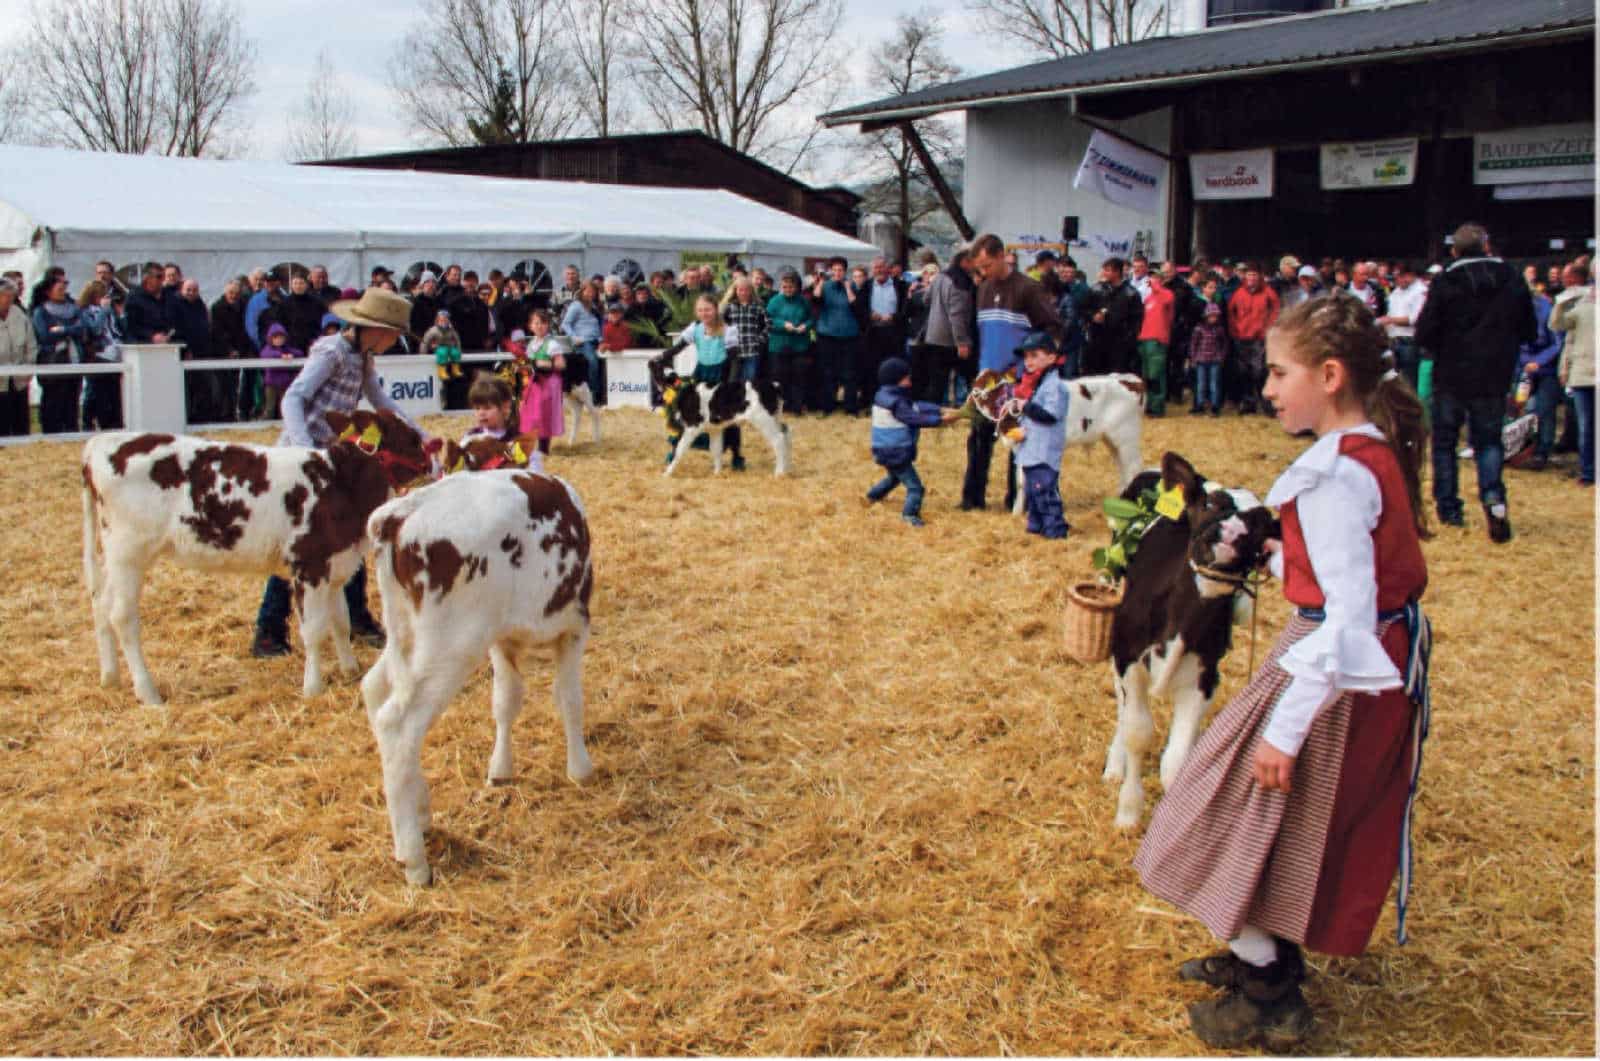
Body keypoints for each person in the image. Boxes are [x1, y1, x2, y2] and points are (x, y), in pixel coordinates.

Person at [1134, 292, 1432, 1051]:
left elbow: (1346, 617)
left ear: (1330, 375)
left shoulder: (1334, 475)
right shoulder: (1367, 449)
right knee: (1271, 823)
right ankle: (1254, 951)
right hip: (1351, 665)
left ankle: (1270, 990)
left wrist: (1286, 733)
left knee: (1240, 813)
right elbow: (1348, 576)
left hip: (1328, 678)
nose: (1266, 389)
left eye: (1277, 373)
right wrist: (1280, 555)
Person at [252, 288, 425, 658]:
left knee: (349, 537)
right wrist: (304, 448)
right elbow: (293, 397)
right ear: (376, 330)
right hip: (302, 463)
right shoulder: (330, 352)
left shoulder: (362, 358)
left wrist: (419, 433)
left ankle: (357, 617)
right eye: (395, 334)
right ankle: (268, 629)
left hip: (331, 462)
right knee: (300, 545)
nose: (396, 342)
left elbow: (381, 402)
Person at [1414, 223, 1537, 541]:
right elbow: (1529, 329)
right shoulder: (1511, 277)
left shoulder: (1445, 281)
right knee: (1488, 442)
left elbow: (1425, 332)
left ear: (1454, 251)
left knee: (1444, 443)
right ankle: (1493, 500)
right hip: (1494, 374)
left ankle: (1449, 509)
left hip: (1451, 375)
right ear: (1487, 246)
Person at [962, 233, 1063, 512]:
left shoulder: (1028, 289)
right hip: (988, 377)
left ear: (1000, 256)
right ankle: (972, 499)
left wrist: (1033, 364)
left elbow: (1052, 327)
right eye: (979, 268)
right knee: (979, 437)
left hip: (1017, 378)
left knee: (1016, 438)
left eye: (987, 266)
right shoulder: (982, 290)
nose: (983, 273)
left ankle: (1015, 499)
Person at [865, 356, 959, 528]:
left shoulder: (884, 396)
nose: (910, 380)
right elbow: (913, 417)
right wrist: (940, 420)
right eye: (906, 377)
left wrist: (939, 409)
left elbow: (915, 406)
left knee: (894, 477)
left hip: (883, 448)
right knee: (915, 488)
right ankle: (909, 515)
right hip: (896, 451)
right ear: (897, 380)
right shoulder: (897, 402)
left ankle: (872, 496)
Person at [662, 295, 745, 468]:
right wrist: (662, 357)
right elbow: (678, 347)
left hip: (721, 376)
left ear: (715, 309)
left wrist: (731, 384)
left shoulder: (728, 330)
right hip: (701, 376)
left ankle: (737, 455)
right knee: (688, 415)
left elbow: (735, 360)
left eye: (707, 309)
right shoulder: (695, 329)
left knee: (728, 418)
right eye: (700, 310)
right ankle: (675, 451)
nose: (704, 313)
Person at [1010, 331, 1072, 539]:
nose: (1028, 361)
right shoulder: (1039, 383)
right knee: (1033, 492)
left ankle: (1055, 529)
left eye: (1034, 355)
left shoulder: (1055, 386)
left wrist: (1026, 407)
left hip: (1044, 450)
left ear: (1052, 357)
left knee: (1043, 491)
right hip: (1032, 447)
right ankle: (1036, 526)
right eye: (1026, 356)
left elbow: (1051, 415)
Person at [1551, 263, 1595, 487]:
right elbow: (1560, 328)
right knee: (1586, 427)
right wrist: (1560, 303)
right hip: (1581, 374)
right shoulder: (1581, 303)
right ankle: (1588, 473)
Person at [1516, 281, 1565, 471]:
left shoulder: (1548, 310)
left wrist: (1539, 361)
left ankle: (1542, 452)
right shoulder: (1514, 311)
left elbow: (1557, 343)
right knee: (1521, 409)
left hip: (1546, 369)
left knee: (1544, 410)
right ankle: (1520, 449)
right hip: (1522, 368)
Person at [922, 247, 978, 406]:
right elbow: (957, 315)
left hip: (933, 336)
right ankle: (966, 407)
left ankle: (933, 412)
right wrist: (962, 341)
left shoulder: (939, 277)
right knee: (965, 376)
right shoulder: (960, 282)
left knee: (936, 382)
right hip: (951, 339)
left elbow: (926, 299)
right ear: (965, 262)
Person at [32, 274, 87, 433]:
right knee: (52, 405)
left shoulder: (74, 309)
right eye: (59, 287)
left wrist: (63, 330)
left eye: (64, 287)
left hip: (73, 361)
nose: (63, 290)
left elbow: (82, 329)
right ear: (49, 291)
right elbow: (45, 335)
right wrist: (70, 332)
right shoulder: (40, 312)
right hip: (52, 364)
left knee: (71, 405)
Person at [509, 313, 566, 459]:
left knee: (544, 414)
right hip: (534, 382)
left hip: (549, 382)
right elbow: (529, 364)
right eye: (536, 323)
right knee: (529, 413)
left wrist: (544, 364)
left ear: (548, 325)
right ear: (530, 326)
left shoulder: (552, 344)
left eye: (543, 322)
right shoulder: (532, 344)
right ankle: (525, 444)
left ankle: (543, 448)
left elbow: (561, 364)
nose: (539, 326)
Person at [1227, 263, 1280, 415]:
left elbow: (1276, 310)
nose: (1251, 277)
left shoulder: (1268, 292)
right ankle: (1248, 402)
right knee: (1244, 372)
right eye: (1249, 274)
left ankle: (1266, 403)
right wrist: (1234, 330)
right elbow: (1231, 313)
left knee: (1260, 371)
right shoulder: (1239, 293)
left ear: (1260, 276)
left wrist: (1268, 328)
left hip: (1259, 338)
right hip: (1242, 337)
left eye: (1254, 275)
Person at [810, 257, 861, 416]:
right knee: (827, 372)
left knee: (849, 373)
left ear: (845, 271)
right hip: (827, 335)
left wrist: (848, 288)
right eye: (835, 270)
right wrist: (819, 282)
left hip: (849, 336)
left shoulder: (852, 285)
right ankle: (827, 406)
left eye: (841, 270)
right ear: (831, 271)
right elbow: (815, 301)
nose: (838, 273)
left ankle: (850, 408)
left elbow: (857, 307)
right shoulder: (824, 286)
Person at [1080, 257, 1143, 377]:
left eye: (1108, 270)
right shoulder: (1096, 289)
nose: (1104, 273)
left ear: (1117, 272)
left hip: (1120, 345)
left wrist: (1128, 341)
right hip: (1098, 342)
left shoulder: (1131, 293)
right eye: (1104, 270)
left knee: (1117, 378)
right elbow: (1084, 310)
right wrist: (1093, 316)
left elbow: (1136, 321)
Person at [862, 257, 908, 412]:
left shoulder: (900, 286)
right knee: (872, 369)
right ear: (872, 270)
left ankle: (895, 403)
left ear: (888, 269)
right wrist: (870, 314)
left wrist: (894, 317)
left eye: (882, 267)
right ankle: (873, 403)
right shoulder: (867, 286)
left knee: (894, 368)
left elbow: (907, 309)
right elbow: (859, 309)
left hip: (893, 334)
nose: (879, 270)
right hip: (873, 333)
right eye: (876, 268)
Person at [79, 280, 125, 430]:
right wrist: (104, 311)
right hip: (98, 356)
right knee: (97, 394)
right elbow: (95, 330)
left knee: (114, 394)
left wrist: (119, 314)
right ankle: (90, 422)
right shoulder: (85, 312)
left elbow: (118, 330)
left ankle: (114, 424)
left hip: (115, 356)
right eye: (103, 295)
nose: (107, 298)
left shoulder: (110, 311)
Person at [171, 278, 218, 423]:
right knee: (187, 388)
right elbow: (178, 329)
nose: (191, 293)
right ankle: (188, 417)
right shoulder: (176, 305)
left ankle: (202, 416)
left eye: (194, 290)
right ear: (182, 290)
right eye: (188, 290)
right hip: (186, 353)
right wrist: (186, 350)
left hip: (203, 352)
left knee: (203, 387)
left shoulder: (200, 305)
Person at [0, 279, 38, 435]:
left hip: (19, 378)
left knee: (20, 420)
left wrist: (29, 368)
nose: (8, 299)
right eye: (5, 295)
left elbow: (31, 344)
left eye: (11, 295)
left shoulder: (19, 314)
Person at [1137, 270, 1176, 416]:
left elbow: (1168, 303)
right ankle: (1150, 404)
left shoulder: (1167, 294)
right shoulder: (1148, 298)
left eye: (1155, 277)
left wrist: (1156, 286)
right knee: (1147, 374)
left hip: (1158, 339)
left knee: (1156, 374)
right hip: (1145, 339)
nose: (1152, 280)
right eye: (1151, 277)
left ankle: (1157, 407)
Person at [560, 280, 604, 406]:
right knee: (592, 363)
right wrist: (574, 337)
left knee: (602, 365)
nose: (591, 294)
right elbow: (565, 324)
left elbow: (600, 326)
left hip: (597, 341)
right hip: (584, 342)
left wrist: (601, 339)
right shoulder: (576, 306)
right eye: (588, 291)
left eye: (593, 291)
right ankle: (593, 396)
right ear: (582, 291)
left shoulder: (596, 307)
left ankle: (599, 394)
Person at [722, 277, 770, 382]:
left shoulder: (758, 307)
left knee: (749, 382)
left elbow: (769, 325)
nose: (744, 293)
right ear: (735, 291)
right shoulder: (729, 307)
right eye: (740, 290)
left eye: (747, 290)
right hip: (734, 352)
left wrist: (761, 339)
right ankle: (734, 399)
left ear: (751, 291)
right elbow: (721, 325)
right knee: (733, 382)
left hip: (752, 351)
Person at [1188, 301, 1229, 416]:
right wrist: (1193, 358)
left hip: (1215, 360)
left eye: (1215, 316)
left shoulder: (1219, 329)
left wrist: (1222, 356)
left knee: (1214, 384)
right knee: (1201, 384)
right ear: (1206, 316)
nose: (1213, 318)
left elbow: (1224, 343)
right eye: (1211, 316)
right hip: (1201, 360)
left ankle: (1215, 406)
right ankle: (1200, 405)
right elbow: (1193, 344)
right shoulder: (1199, 328)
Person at [258, 323, 305, 420]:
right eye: (276, 337)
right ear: (271, 339)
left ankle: (285, 425)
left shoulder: (287, 349)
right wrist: (281, 356)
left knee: (285, 407)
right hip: (271, 384)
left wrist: (290, 354)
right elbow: (265, 354)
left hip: (285, 384)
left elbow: (299, 353)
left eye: (281, 337)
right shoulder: (268, 349)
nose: (279, 340)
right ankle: (263, 425)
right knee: (270, 407)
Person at [421, 309, 464, 381]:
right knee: (442, 353)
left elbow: (457, 339)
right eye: (441, 320)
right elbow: (425, 342)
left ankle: (455, 369)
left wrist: (459, 349)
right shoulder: (433, 330)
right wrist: (423, 354)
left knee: (455, 353)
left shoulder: (451, 330)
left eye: (445, 319)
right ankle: (442, 371)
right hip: (438, 347)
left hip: (450, 347)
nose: (444, 321)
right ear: (437, 320)